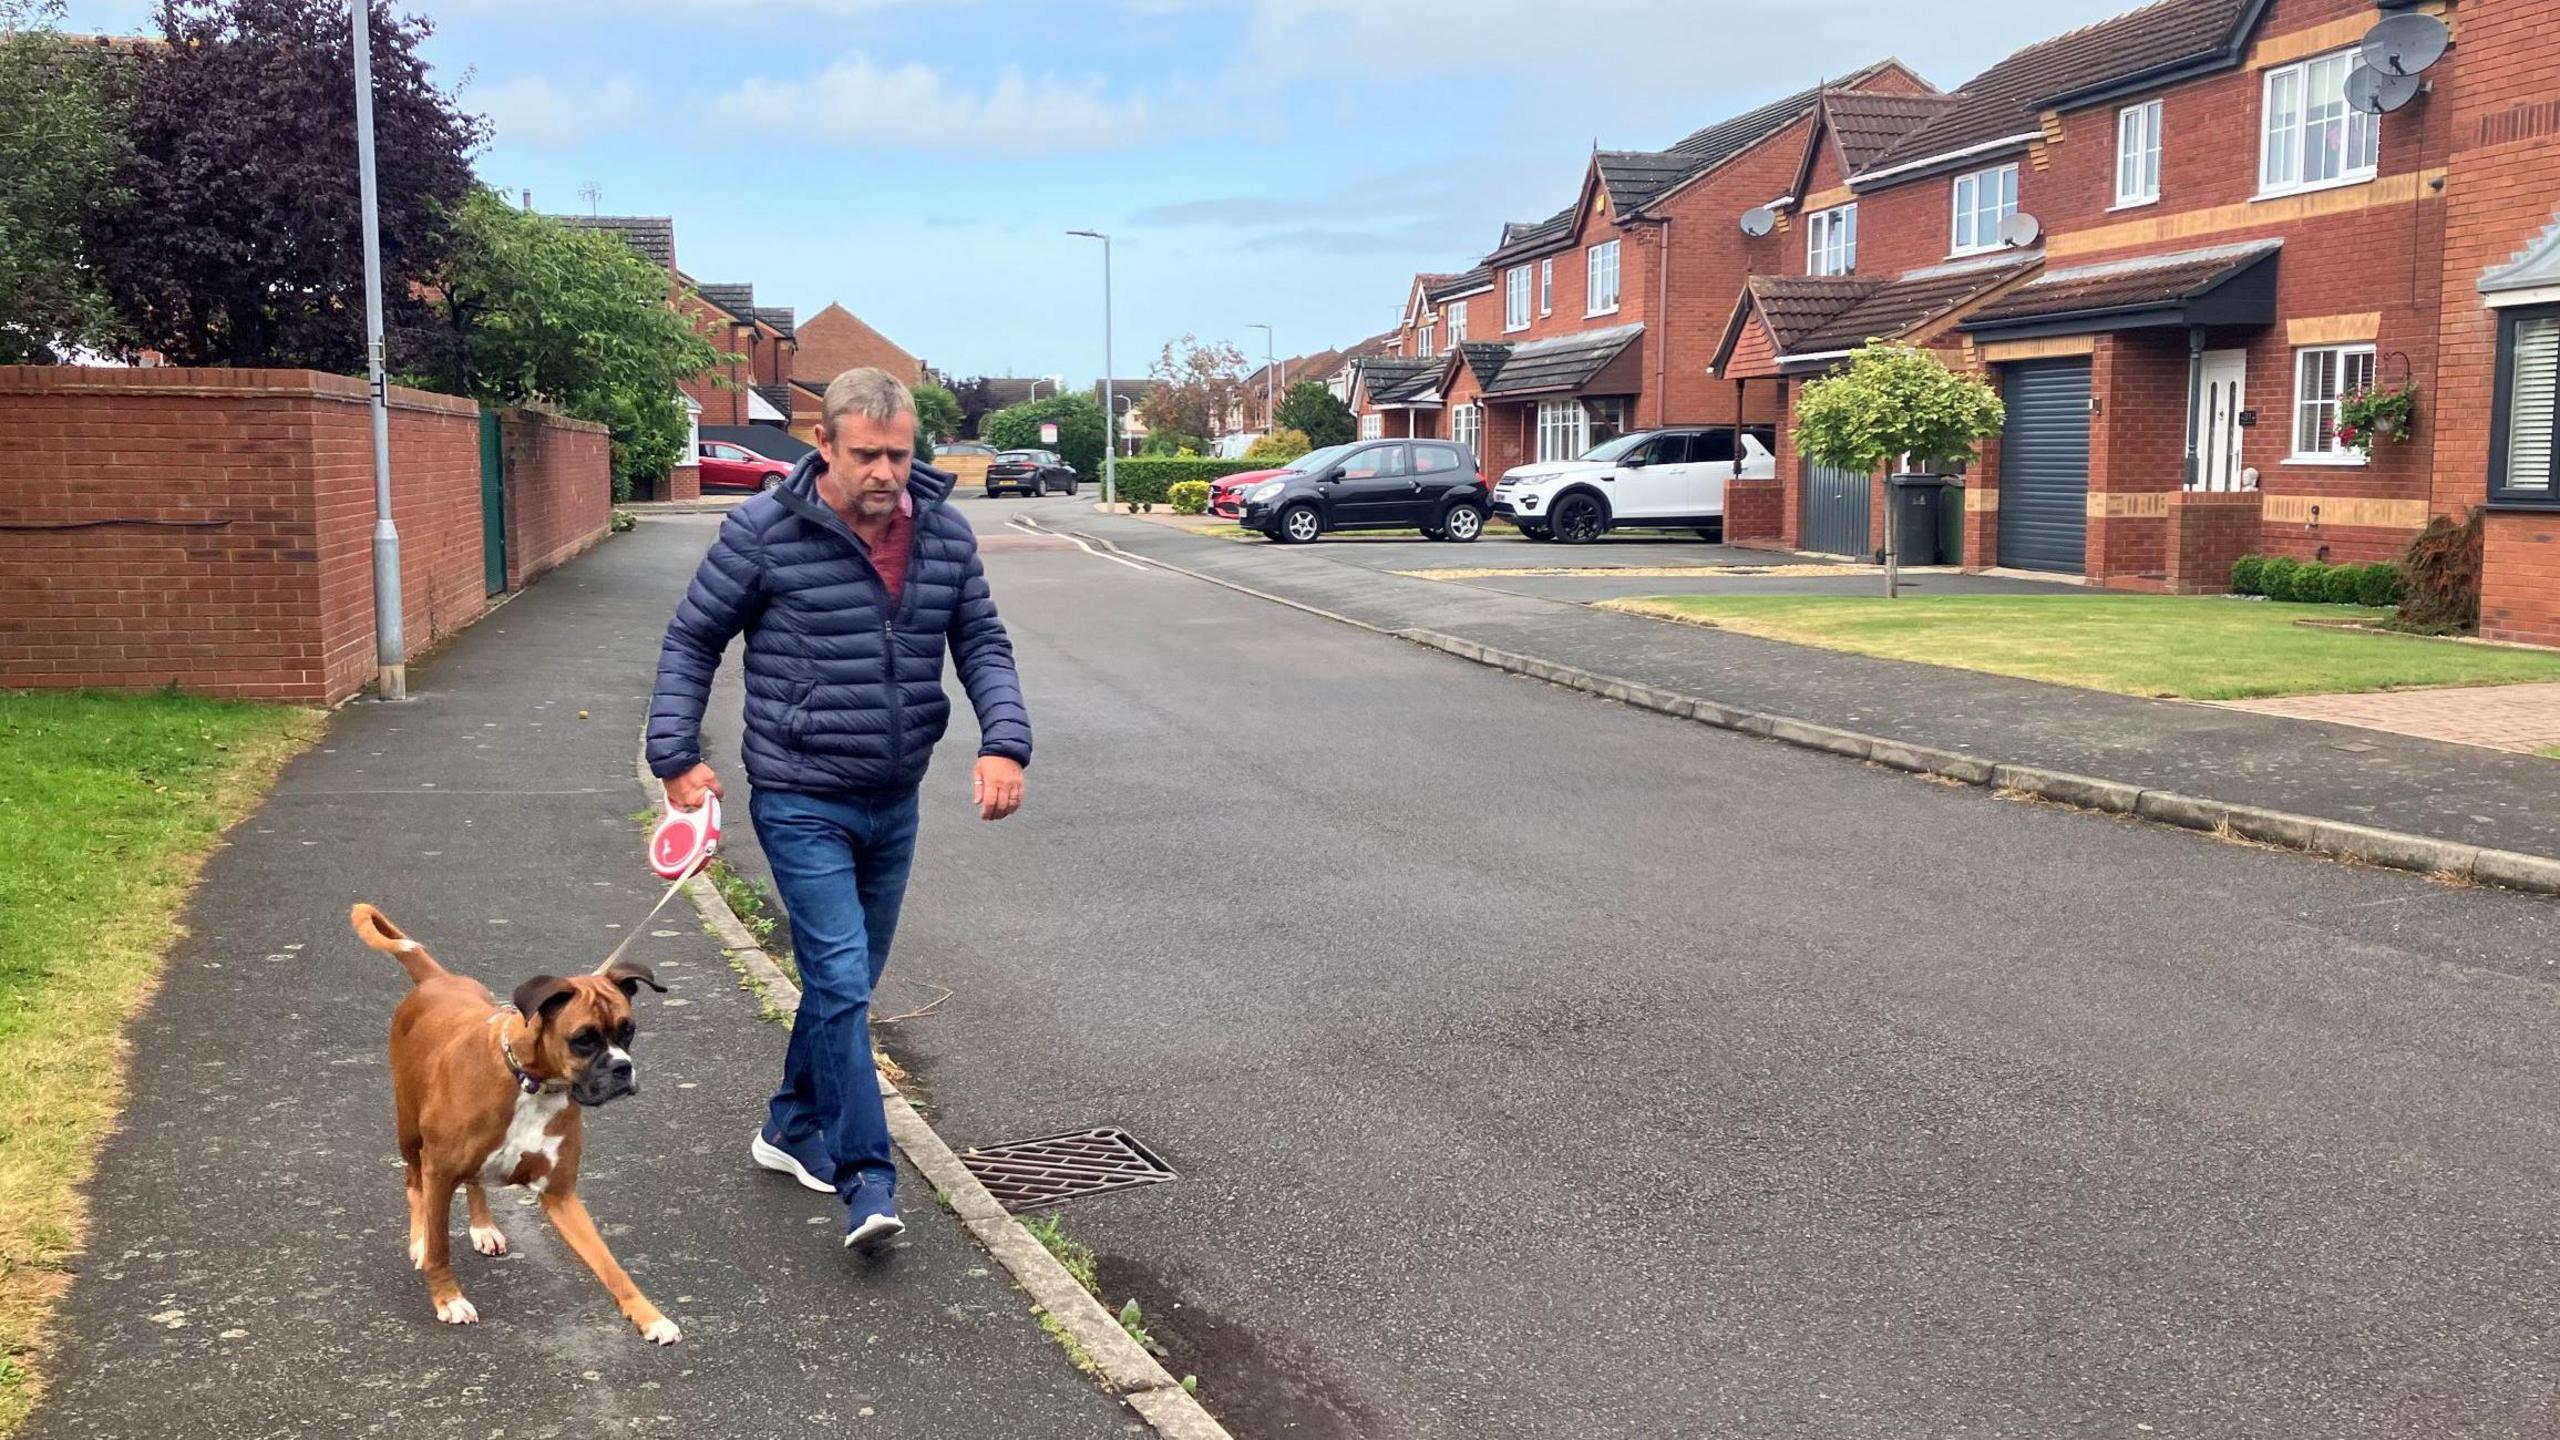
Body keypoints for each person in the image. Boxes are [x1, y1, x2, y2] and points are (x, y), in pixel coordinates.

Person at [647, 367, 1029, 1251]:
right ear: (824, 445)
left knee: (839, 988)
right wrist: (676, 756)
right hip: (799, 793)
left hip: (893, 797)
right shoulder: (763, 532)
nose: (886, 472)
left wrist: (1004, 739)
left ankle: (787, 1126)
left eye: (899, 454)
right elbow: (692, 638)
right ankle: (868, 1179)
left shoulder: (941, 532)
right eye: (867, 454)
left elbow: (981, 641)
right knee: (844, 981)